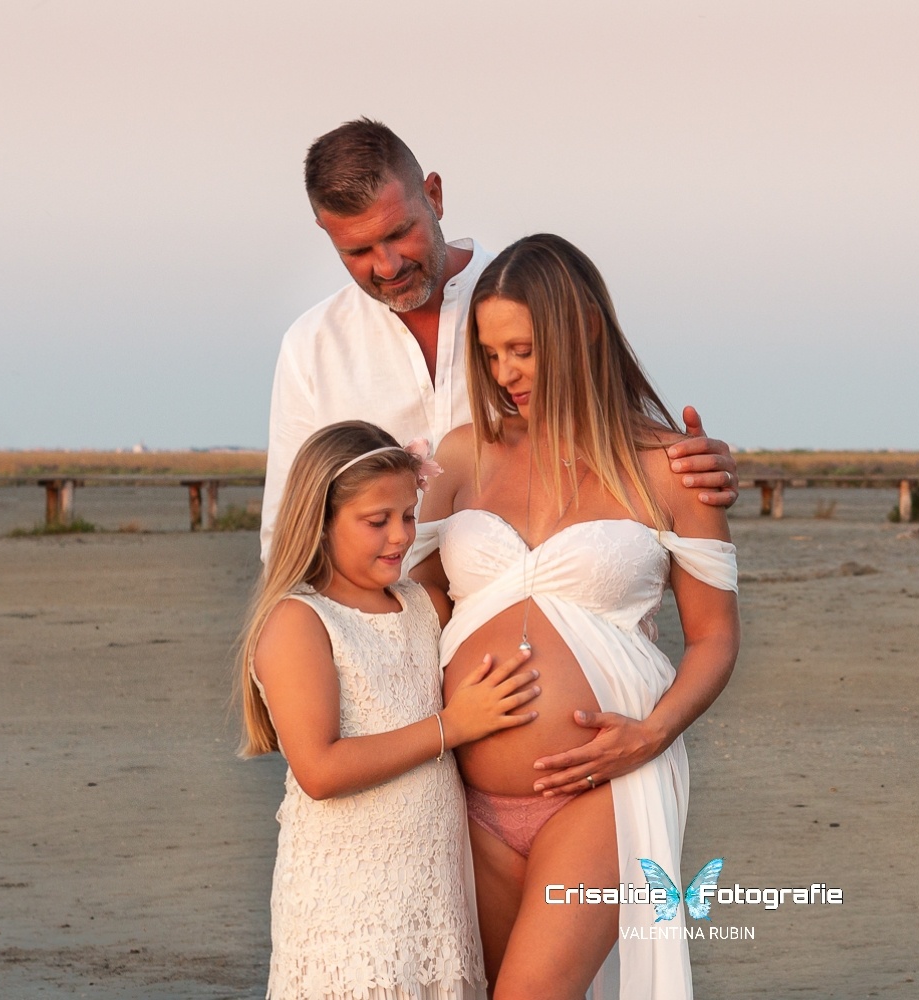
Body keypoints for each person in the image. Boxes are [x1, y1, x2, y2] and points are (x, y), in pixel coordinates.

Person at [409, 234, 740, 999]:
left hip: (602, 790)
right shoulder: (461, 459)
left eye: (522, 349)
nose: (505, 374)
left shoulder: (670, 466)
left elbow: (716, 637)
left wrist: (651, 735)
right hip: (458, 790)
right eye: (490, 355)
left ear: (585, 328)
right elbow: (414, 600)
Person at [261, 118, 739, 565]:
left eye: (400, 233)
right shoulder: (310, 345)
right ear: (327, 233)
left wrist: (690, 467)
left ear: (435, 195)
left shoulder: (532, 301)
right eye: (358, 251)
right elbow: (286, 531)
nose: (387, 266)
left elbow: (613, 431)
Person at [235, 420, 543, 1000]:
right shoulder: (300, 622)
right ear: (320, 521)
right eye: (377, 521)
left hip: (435, 896)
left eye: (408, 514)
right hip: (348, 907)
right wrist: (452, 726)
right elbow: (320, 770)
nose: (400, 536)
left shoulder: (425, 605)